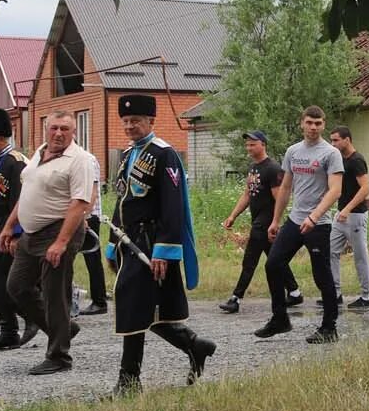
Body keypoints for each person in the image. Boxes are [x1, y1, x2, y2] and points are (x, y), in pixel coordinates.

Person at [105, 94, 216, 393]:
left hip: (151, 243)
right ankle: (194, 345)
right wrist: (112, 243)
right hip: (130, 243)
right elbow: (123, 201)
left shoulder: (164, 155)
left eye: (136, 121)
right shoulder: (128, 155)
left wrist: (164, 252)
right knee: (142, 308)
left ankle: (129, 382)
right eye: (126, 122)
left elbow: (173, 207)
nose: (130, 126)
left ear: (151, 121)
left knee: (132, 304)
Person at [0, 111, 95, 375]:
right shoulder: (40, 153)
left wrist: (61, 242)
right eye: (54, 128)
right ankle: (64, 330)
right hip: (30, 233)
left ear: (73, 132)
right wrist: (10, 226)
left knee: (56, 296)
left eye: (65, 129)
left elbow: (80, 204)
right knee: (17, 286)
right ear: (45, 128)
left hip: (58, 231)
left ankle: (59, 356)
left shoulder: (80, 160)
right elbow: (28, 192)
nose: (58, 133)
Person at [257, 106, 344, 343]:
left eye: (318, 123)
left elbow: (335, 190)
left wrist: (314, 216)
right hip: (294, 221)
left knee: (321, 275)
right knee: (273, 264)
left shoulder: (330, 153)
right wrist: (275, 220)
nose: (313, 127)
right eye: (309, 122)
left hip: (319, 224)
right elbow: (285, 187)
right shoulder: (293, 152)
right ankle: (280, 319)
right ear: (302, 124)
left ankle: (329, 328)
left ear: (324, 125)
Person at [0, 108, 38, 351]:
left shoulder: (16, 162)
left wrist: (16, 233)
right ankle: (8, 330)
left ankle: (31, 317)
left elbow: (21, 200)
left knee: (8, 280)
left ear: (1, 137)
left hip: (11, 227)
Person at [221, 130, 304, 314]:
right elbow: (247, 195)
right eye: (247, 144)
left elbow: (280, 197)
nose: (249, 148)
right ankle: (295, 292)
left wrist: (276, 221)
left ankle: (236, 298)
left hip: (266, 223)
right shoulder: (253, 167)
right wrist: (232, 215)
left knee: (250, 259)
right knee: (276, 259)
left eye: (253, 144)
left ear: (263, 145)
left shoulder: (273, 168)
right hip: (257, 220)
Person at [328, 125, 369, 310]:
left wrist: (347, 209)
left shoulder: (357, 160)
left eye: (336, 140)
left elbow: (365, 188)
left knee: (360, 256)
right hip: (340, 215)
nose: (333, 144)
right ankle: (335, 293)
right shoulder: (339, 160)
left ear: (347, 140)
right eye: (331, 140)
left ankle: (366, 297)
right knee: (330, 251)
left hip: (355, 216)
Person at [75, 149, 110, 316]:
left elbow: (93, 192)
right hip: (74, 216)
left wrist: (84, 216)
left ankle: (99, 301)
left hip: (88, 217)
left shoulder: (87, 160)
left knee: (92, 259)